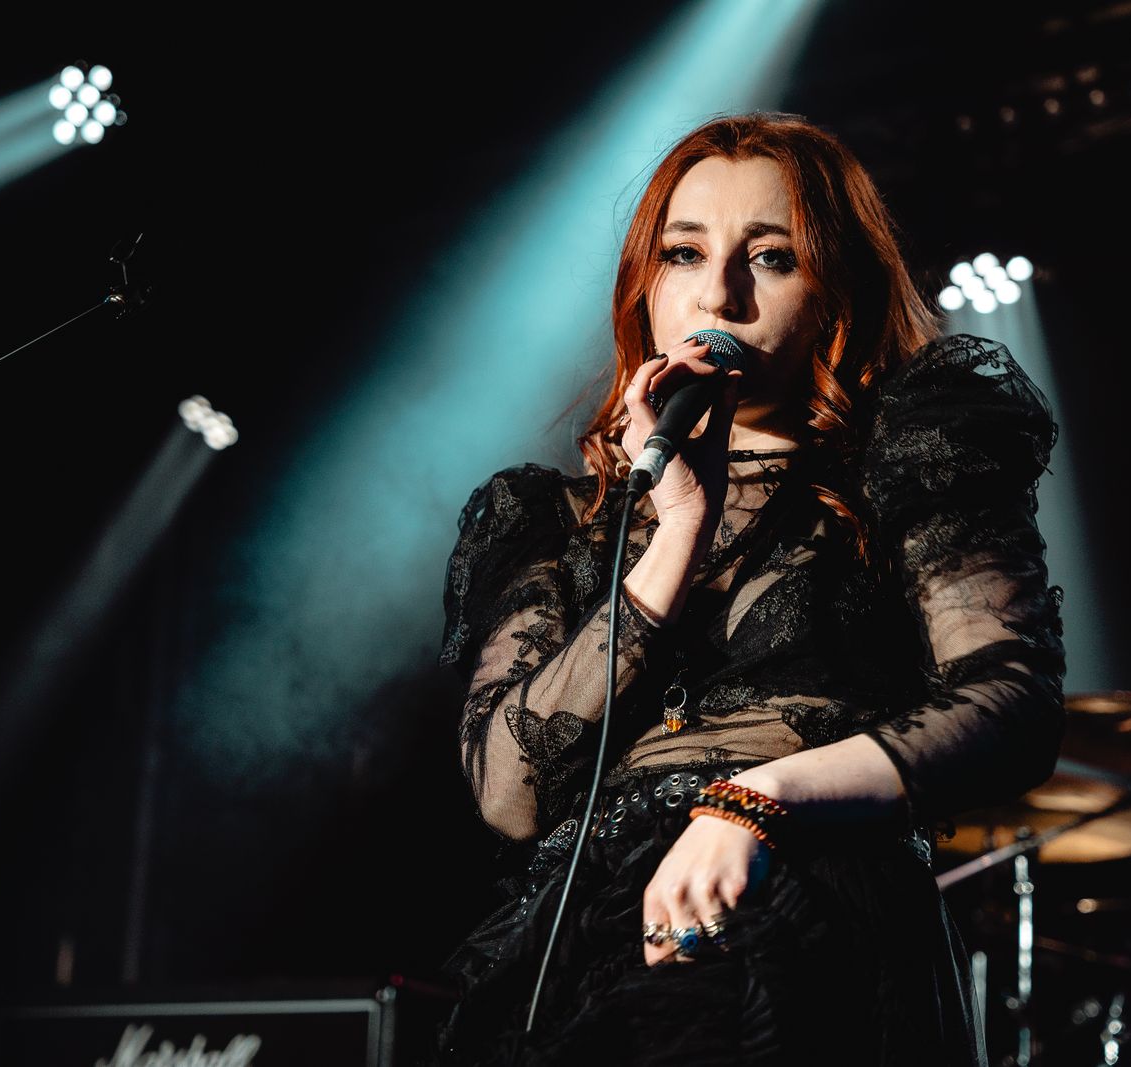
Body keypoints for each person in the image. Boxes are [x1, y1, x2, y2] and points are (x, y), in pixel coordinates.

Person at [430, 112, 1066, 1066]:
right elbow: (509, 793)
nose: (718, 295)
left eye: (771, 258)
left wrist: (756, 800)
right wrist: (676, 532)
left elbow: (1010, 702)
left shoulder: (911, 462)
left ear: (835, 288)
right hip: (595, 949)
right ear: (644, 283)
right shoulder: (553, 520)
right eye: (684, 253)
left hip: (818, 929)